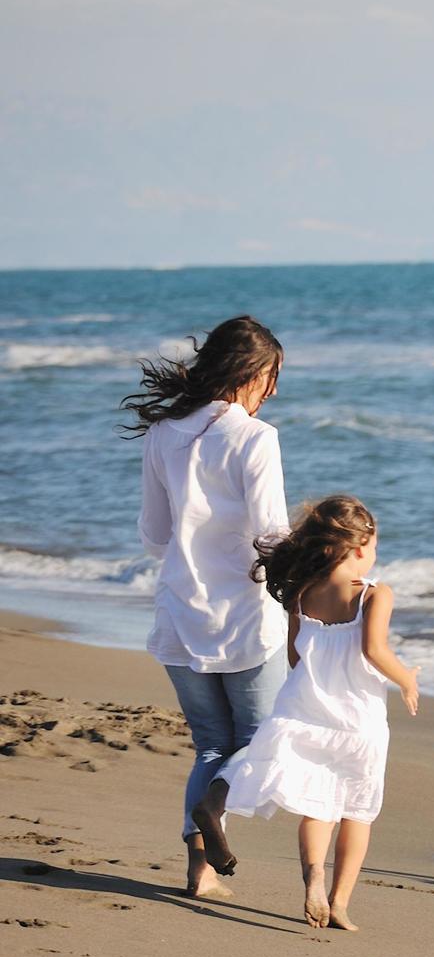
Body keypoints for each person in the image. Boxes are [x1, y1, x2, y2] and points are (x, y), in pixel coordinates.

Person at [124, 316, 288, 899]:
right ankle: (216, 811)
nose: (271, 392)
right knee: (261, 741)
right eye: (270, 378)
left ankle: (201, 872)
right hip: (245, 615)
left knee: (213, 746)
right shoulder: (255, 438)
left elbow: (155, 533)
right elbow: (271, 534)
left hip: (179, 612)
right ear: (252, 375)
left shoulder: (162, 433)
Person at [211, 496, 420, 931]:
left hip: (306, 713)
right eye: (375, 547)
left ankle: (313, 883)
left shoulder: (301, 595)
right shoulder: (374, 595)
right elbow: (374, 650)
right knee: (357, 814)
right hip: (359, 723)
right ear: (359, 547)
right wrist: (407, 679)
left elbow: (294, 659)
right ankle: (340, 903)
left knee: (317, 810)